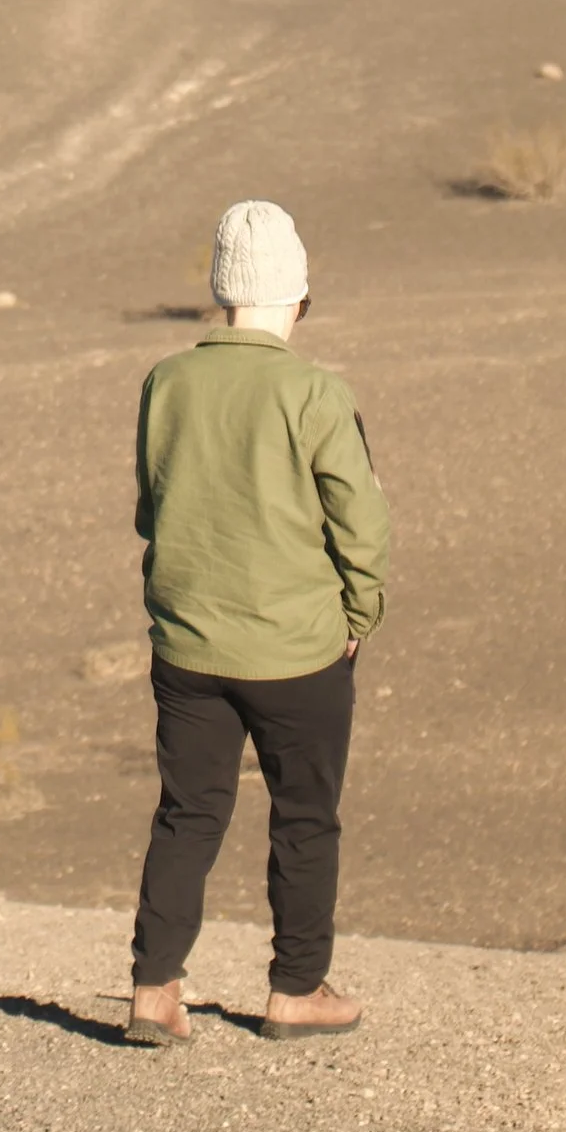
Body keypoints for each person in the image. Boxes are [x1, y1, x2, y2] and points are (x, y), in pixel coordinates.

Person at [127, 198, 389, 1048]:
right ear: (300, 295)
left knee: (187, 814)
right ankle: (295, 989)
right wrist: (359, 613)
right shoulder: (316, 390)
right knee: (305, 816)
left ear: (218, 291)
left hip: (188, 644)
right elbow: (361, 521)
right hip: (299, 651)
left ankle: (154, 989)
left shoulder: (166, 380)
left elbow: (150, 507)